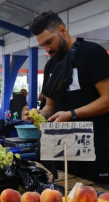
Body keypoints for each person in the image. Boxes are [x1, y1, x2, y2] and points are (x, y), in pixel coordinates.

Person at [24, 10, 109, 183]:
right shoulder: (50, 67)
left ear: (62, 30)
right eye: (43, 46)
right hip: (66, 151)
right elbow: (51, 107)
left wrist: (72, 114)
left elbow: (107, 99)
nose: (48, 50)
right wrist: (38, 115)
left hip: (99, 149)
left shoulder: (92, 54)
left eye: (49, 42)